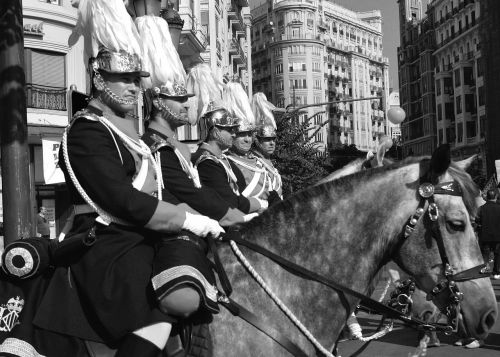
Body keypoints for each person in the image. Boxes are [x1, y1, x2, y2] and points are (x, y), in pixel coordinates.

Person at [0, 1, 223, 356]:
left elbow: (157, 196)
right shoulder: (87, 131)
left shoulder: (129, 136)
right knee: (161, 302)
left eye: (137, 80)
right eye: (125, 79)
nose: (135, 88)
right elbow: (121, 200)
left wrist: (202, 220)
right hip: (104, 244)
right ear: (100, 79)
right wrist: (185, 218)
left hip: (137, 236)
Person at [137, 15, 248, 341]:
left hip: (194, 225)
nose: (187, 104)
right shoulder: (157, 146)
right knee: (183, 300)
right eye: (178, 99)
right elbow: (188, 194)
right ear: (159, 103)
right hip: (170, 231)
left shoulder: (175, 147)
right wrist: (235, 216)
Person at [188, 65, 267, 215]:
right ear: (216, 132)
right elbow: (230, 202)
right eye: (229, 130)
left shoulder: (220, 159)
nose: (233, 134)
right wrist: (260, 203)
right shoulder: (206, 162)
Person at [224, 83, 280, 205]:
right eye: (242, 134)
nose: (247, 139)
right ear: (232, 135)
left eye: (249, 134)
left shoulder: (259, 163)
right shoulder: (225, 163)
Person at [251, 92, 283, 201]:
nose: (272, 143)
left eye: (273, 139)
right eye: (267, 140)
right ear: (257, 140)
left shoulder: (268, 162)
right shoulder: (254, 163)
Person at [476, 189, 500, 280]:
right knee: (497, 254)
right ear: (496, 197)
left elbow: (477, 220)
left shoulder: (481, 208)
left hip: (485, 235)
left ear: (487, 197)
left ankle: (485, 270)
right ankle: (496, 272)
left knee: (485, 254)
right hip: (498, 236)